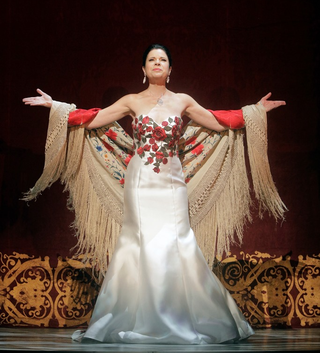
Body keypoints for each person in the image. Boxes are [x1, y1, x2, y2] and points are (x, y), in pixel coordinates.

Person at [22, 44, 286, 345]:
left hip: (173, 183)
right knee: (139, 241)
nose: (157, 63)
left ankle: (184, 316)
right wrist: (54, 106)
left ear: (170, 70)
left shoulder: (183, 101)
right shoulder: (132, 101)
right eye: (151, 60)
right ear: (143, 70)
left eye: (163, 60)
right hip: (140, 182)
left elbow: (219, 120)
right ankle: (135, 315)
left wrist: (254, 112)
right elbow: (92, 118)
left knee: (179, 241)